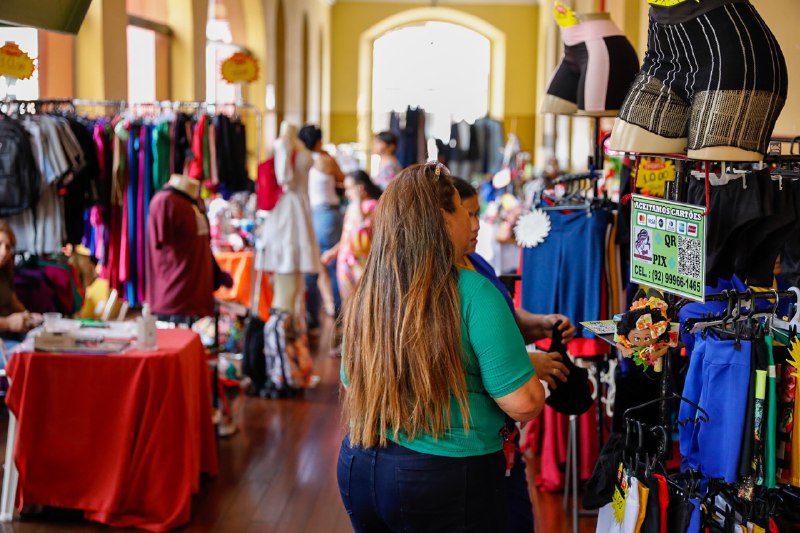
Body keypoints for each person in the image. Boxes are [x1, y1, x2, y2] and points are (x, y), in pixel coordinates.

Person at [338, 163, 545, 532]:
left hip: (360, 465)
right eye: (465, 211)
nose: (473, 222)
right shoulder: (474, 292)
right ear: (441, 218)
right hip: (442, 477)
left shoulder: (368, 291)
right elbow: (524, 402)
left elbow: (351, 379)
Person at [452, 176, 574, 532]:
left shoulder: (477, 264)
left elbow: (504, 319)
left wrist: (541, 324)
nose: (477, 224)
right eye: (466, 215)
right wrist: (523, 365)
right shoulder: (446, 285)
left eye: (477, 213)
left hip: (501, 436)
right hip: (471, 444)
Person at [254, 122, 320, 315]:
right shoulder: (284, 143)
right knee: (288, 268)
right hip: (289, 209)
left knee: (294, 274)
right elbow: (284, 177)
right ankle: (282, 321)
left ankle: (291, 321)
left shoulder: (294, 144)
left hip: (298, 206)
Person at [298, 125, 345, 324]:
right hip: (327, 215)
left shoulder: (299, 160)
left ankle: (312, 316)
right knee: (333, 264)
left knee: (311, 264)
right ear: (318, 141)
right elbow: (343, 178)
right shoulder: (324, 160)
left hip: (308, 215)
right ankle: (338, 312)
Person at [321, 170, 382, 302]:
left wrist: (358, 201)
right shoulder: (351, 208)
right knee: (348, 302)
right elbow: (347, 236)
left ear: (361, 188)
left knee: (363, 300)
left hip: (361, 262)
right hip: (345, 261)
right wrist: (334, 251)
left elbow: (362, 229)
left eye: (349, 188)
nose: (346, 193)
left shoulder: (374, 206)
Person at [0, 222, 41, 353]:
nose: (4, 252)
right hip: (4, 335)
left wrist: (28, 316)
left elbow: (12, 300)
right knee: (26, 357)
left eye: (8, 247)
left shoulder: (5, 270)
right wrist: (8, 323)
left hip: (9, 335)